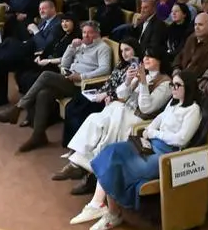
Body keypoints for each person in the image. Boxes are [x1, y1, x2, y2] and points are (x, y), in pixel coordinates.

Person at [72, 70, 202, 230]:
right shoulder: (173, 102)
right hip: (150, 144)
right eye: (172, 85)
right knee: (111, 151)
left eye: (177, 85)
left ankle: (113, 214)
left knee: (121, 165)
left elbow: (181, 139)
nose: (173, 88)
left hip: (166, 155)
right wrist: (150, 130)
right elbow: (158, 119)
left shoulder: (193, 110)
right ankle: (101, 205)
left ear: (188, 88)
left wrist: (155, 134)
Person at [53, 48, 172, 194]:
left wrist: (143, 84)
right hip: (122, 109)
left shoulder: (166, 83)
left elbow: (147, 108)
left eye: (151, 57)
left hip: (138, 119)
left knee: (107, 132)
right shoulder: (143, 74)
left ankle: (85, 170)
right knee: (94, 119)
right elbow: (121, 94)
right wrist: (128, 81)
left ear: (160, 61)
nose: (146, 59)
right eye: (145, 56)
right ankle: (79, 164)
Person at [0, 21, 112, 152]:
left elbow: (105, 70)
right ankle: (38, 136)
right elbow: (65, 63)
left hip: (82, 85)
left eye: (90, 33)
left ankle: (18, 109)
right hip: (69, 78)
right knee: (44, 94)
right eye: (84, 32)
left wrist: (82, 76)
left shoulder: (103, 48)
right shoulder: (81, 45)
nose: (86, 35)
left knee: (46, 75)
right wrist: (71, 47)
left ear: (97, 33)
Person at [0, 0, 64, 108]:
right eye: (39, 9)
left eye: (44, 8)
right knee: (3, 53)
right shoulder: (44, 21)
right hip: (29, 49)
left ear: (53, 9)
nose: (41, 11)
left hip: (38, 57)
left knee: (4, 50)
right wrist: (30, 38)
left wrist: (35, 31)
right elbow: (35, 40)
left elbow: (45, 47)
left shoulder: (57, 24)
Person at [171, 12, 208, 77]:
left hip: (191, 80)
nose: (196, 27)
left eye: (200, 25)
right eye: (195, 24)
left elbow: (200, 69)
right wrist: (176, 68)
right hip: (179, 73)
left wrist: (179, 76)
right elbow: (181, 53)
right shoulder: (192, 37)